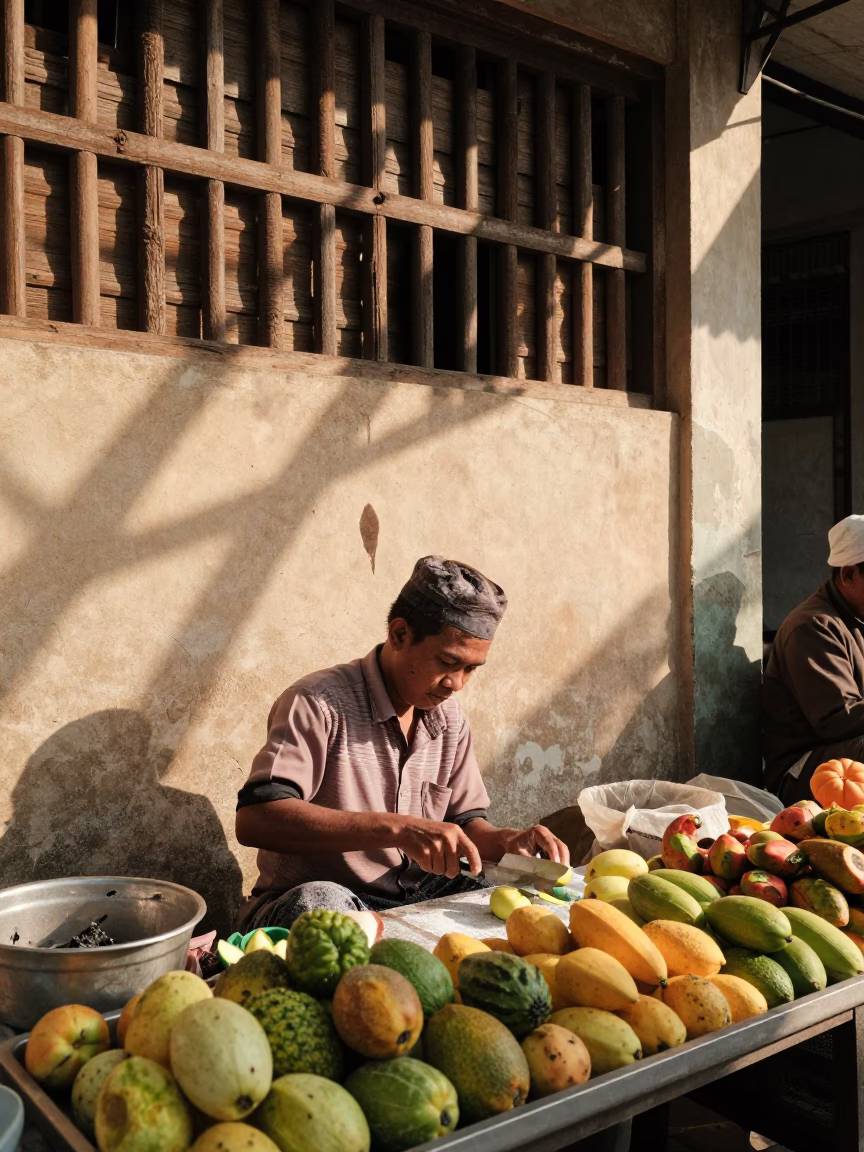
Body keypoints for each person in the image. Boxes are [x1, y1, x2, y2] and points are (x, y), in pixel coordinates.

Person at [235, 555, 569, 930]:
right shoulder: (318, 702)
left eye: (470, 670)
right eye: (448, 662)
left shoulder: (450, 718)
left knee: (516, 899)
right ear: (399, 634)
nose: (456, 683)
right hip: (325, 900)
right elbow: (255, 820)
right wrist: (397, 829)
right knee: (320, 906)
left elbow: (467, 824)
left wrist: (508, 843)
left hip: (413, 894)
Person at [764, 514, 864, 804]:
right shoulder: (813, 626)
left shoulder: (856, 617)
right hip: (801, 772)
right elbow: (837, 720)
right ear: (847, 575)